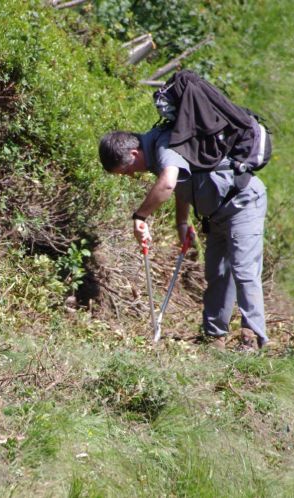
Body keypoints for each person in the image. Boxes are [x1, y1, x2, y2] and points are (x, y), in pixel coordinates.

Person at [98, 72, 269, 352]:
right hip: (216, 213)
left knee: (243, 269)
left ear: (132, 154)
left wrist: (140, 217)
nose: (130, 176)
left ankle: (253, 339)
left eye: (126, 171)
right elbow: (182, 181)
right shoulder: (159, 147)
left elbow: (167, 183)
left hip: (242, 203)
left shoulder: (163, 146)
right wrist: (181, 222)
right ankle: (215, 337)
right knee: (217, 273)